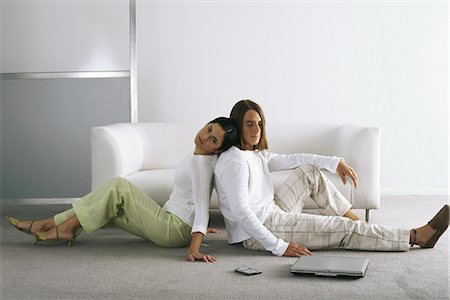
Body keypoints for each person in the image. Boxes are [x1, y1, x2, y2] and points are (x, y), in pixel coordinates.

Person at [213, 99, 449, 257]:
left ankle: (362, 225)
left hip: (272, 212)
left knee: (309, 173)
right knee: (341, 229)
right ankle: (415, 236)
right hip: (261, 229)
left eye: (260, 124)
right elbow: (242, 213)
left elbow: (295, 159)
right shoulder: (235, 161)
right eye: (249, 124)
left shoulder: (254, 154)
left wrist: (335, 162)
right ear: (236, 126)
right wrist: (279, 247)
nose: (256, 130)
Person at [7, 117, 239, 263]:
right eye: (209, 129)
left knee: (119, 187)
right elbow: (195, 200)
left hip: (172, 228)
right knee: (108, 205)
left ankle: (60, 227)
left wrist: (194, 247)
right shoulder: (199, 155)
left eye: (213, 140)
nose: (205, 136)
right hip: (174, 223)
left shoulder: (201, 165)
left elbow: (202, 207)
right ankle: (50, 224)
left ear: (217, 150)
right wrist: (195, 227)